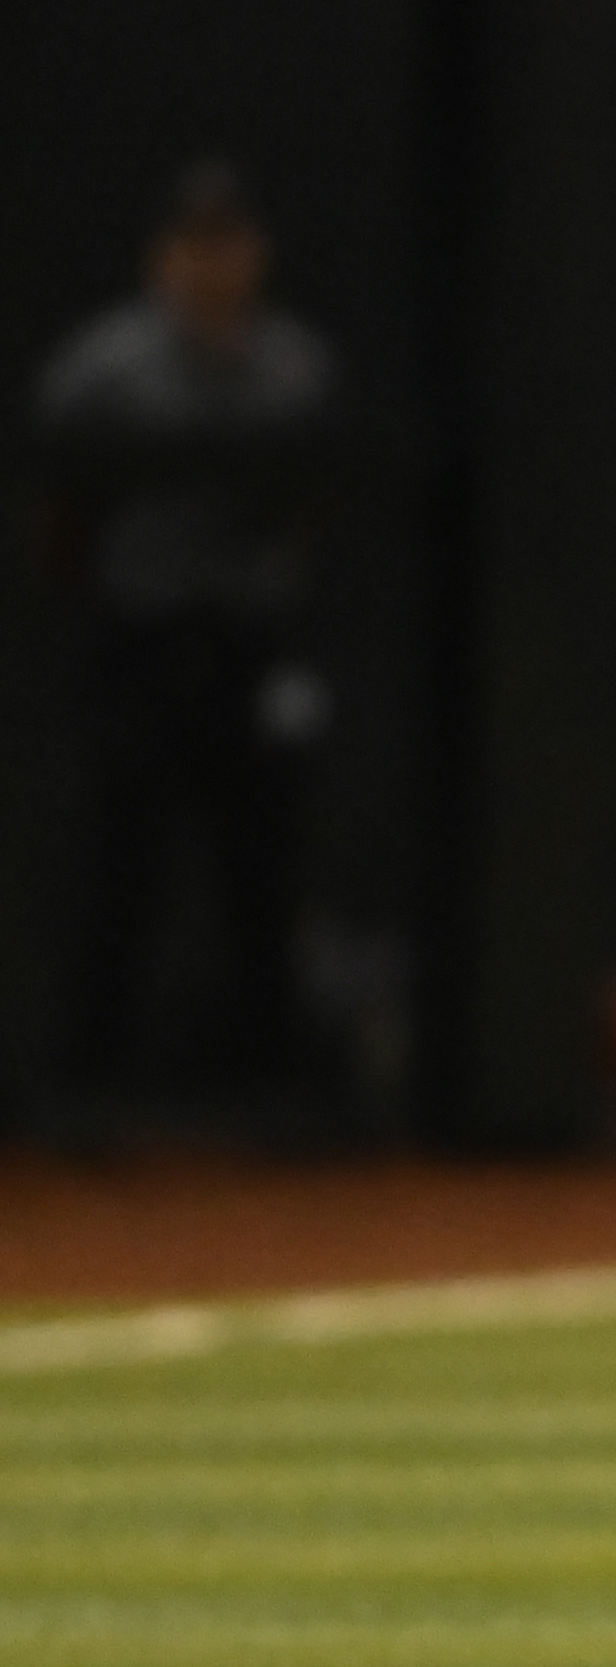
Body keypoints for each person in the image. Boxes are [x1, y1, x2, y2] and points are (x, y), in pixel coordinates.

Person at [36, 160, 339, 1111]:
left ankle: (268, 1098)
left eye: (229, 241)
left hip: (250, 644)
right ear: (161, 257)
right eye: (194, 243)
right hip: (143, 636)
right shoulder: (103, 369)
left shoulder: (295, 365)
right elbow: (58, 511)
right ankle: (92, 1095)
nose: (214, 263)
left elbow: (319, 507)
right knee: (124, 871)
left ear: (255, 253)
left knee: (262, 872)